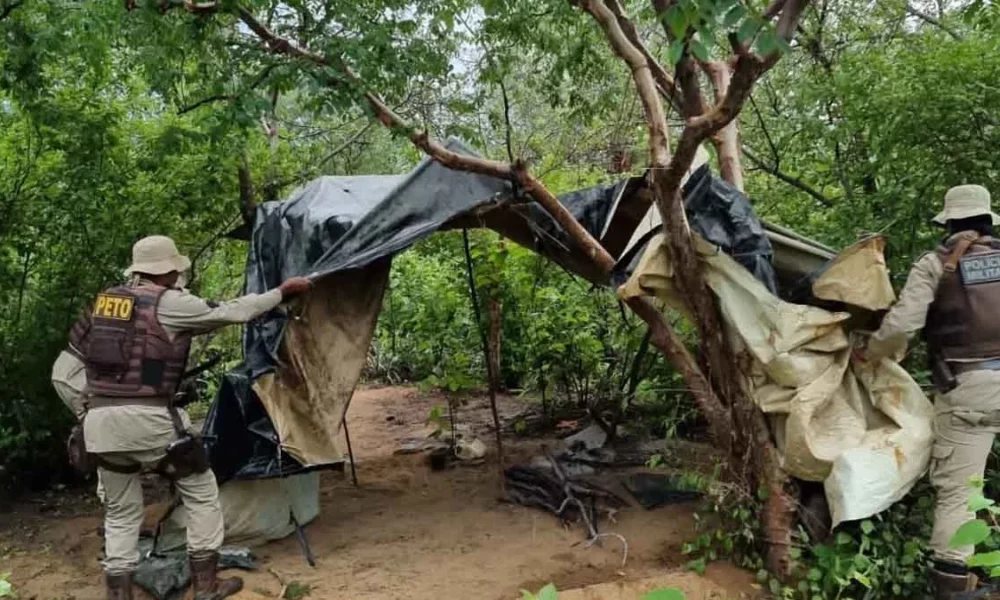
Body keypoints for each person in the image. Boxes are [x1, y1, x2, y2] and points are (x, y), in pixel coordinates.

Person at [75, 235, 311, 600]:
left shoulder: (105, 304)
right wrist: (281, 292)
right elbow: (232, 311)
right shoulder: (169, 302)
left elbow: (73, 364)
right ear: (169, 271)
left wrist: (84, 410)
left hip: (98, 422)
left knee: (121, 513)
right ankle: (206, 585)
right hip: (148, 420)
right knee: (201, 492)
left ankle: (118, 594)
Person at [859, 184, 1000, 599]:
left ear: (950, 224)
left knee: (959, 491)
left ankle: (954, 586)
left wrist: (874, 352)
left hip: (969, 391)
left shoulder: (936, 266)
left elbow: (902, 325)